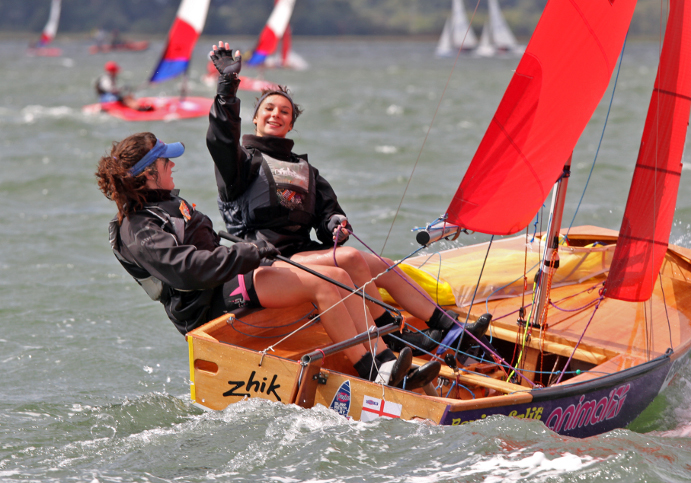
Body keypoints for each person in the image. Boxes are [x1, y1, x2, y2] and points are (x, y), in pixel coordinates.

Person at [205, 42, 491, 359]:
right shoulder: (239, 164)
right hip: (268, 260)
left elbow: (329, 215)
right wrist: (227, 89)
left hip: (306, 253)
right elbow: (222, 137)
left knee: (381, 266)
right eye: (269, 109)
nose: (276, 114)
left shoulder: (306, 170)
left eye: (284, 112)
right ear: (256, 119)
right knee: (352, 260)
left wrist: (335, 224)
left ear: (290, 124)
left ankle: (449, 329)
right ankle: (395, 336)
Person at [95, 131, 440, 390]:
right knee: (322, 286)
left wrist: (252, 254)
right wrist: (249, 252)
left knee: (337, 275)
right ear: (147, 174)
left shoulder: (163, 206)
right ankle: (374, 375)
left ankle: (387, 361)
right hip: (207, 305)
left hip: (226, 281)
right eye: (165, 161)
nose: (172, 165)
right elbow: (187, 271)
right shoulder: (138, 227)